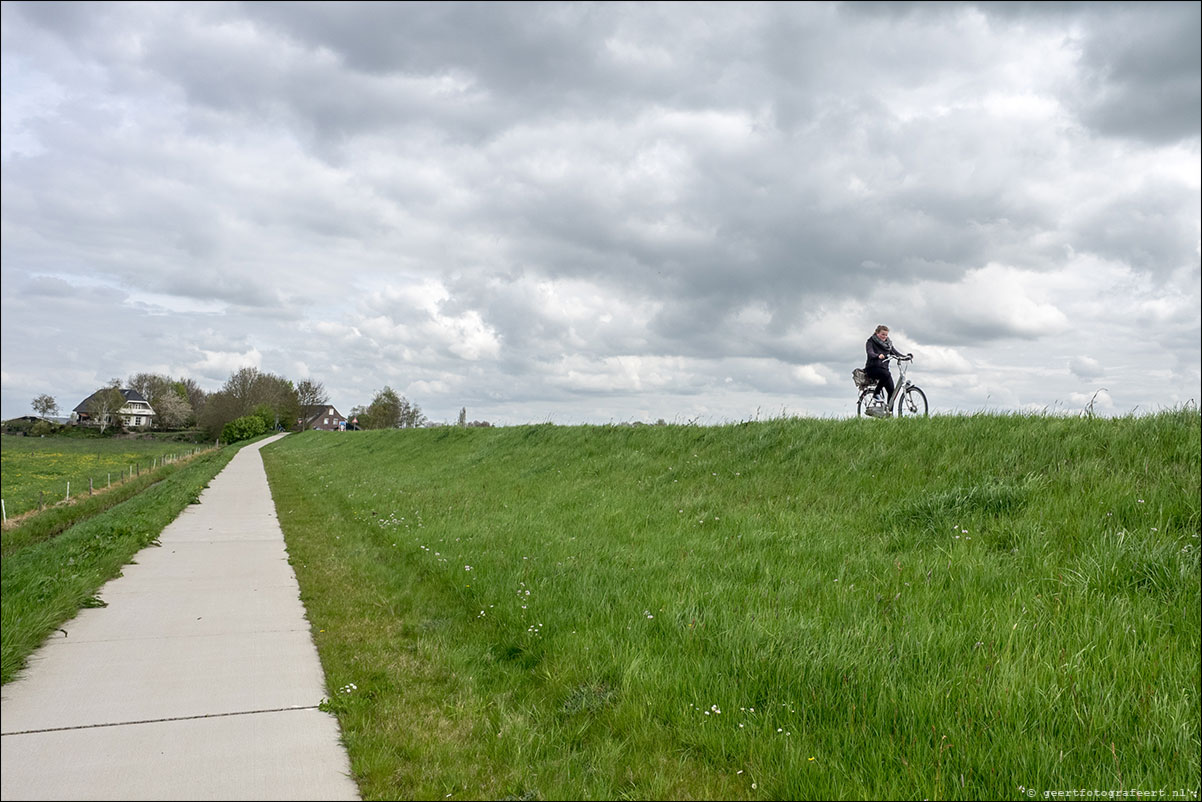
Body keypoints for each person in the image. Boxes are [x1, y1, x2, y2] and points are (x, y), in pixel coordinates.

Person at [864, 325, 911, 404]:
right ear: (877, 333)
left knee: (891, 391)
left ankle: (889, 414)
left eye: (886, 335)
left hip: (884, 369)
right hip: (872, 368)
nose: (884, 336)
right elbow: (870, 352)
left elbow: (895, 353)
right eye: (883, 334)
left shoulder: (888, 344)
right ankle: (876, 393)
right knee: (886, 374)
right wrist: (877, 355)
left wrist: (906, 357)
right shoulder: (870, 342)